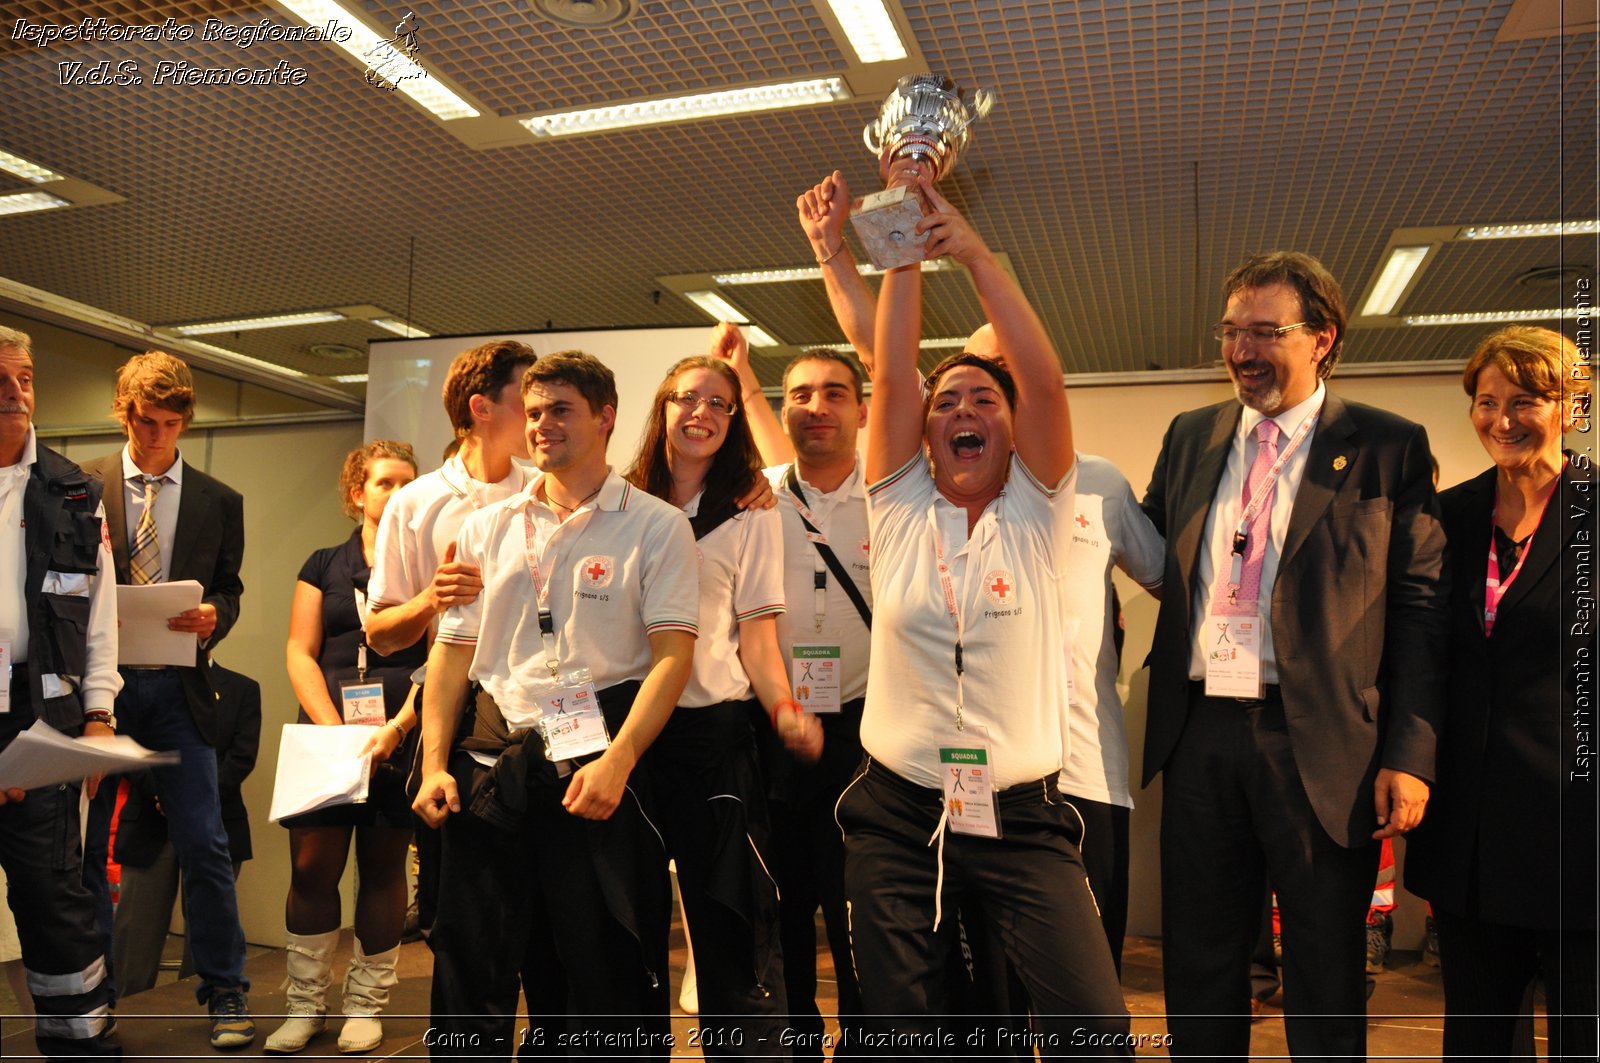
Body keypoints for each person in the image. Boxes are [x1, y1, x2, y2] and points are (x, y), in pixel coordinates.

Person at [836, 170, 1129, 1054]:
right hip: (896, 812)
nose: (963, 408)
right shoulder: (897, 507)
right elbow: (890, 372)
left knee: (1094, 1023)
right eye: (947, 402)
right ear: (926, 436)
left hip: (1023, 816)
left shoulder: (1039, 514)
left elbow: (1043, 378)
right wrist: (897, 241)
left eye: (984, 400)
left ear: (1010, 428)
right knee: (907, 1028)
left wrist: (965, 247)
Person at [1140, 251, 1447, 1059]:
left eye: (1265, 331)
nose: (1242, 350)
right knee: (1202, 960)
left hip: (1322, 743)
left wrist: (1411, 751)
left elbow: (1420, 611)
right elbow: (1143, 542)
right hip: (1200, 731)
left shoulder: (1388, 445)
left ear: (1322, 338)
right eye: (1231, 331)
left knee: (1324, 965)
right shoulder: (1190, 437)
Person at [412, 350, 698, 1057]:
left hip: (596, 769)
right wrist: (432, 765)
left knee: (601, 971)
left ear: (605, 417)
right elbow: (449, 657)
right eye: (534, 411)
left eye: (560, 409)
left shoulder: (655, 525)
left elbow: (673, 659)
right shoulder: (486, 525)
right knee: (469, 965)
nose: (541, 425)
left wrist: (620, 764)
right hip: (492, 764)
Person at [1404, 325, 1597, 1061]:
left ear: (1573, 404)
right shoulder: (1447, 517)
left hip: (1578, 834)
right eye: (1486, 401)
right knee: (1480, 1042)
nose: (1503, 418)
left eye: (1527, 400)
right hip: (1470, 838)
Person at [625, 350, 822, 1057]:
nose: (701, 412)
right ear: (663, 408)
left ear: (734, 419)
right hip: (629, 741)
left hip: (714, 739)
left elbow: (758, 638)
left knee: (732, 930)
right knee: (627, 932)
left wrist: (783, 711)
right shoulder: (622, 503)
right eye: (687, 398)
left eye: (718, 402)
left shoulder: (750, 511)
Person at [80, 351, 254, 1050]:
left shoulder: (219, 499)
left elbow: (232, 589)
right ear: (125, 414)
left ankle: (226, 988)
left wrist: (216, 613)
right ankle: (90, 989)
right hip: (102, 690)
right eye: (146, 422)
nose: (157, 438)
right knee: (87, 847)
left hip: (181, 685)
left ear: (185, 419)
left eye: (171, 423)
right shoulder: (81, 484)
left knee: (206, 843)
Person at [708, 323, 872, 1059]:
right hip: (771, 726)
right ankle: (796, 1040)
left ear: (862, 408)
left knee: (859, 901)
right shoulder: (754, 499)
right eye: (799, 394)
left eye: (834, 392)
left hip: (866, 730)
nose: (816, 407)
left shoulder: (896, 495)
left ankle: (866, 1040)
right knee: (784, 899)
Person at [366, 339, 538, 953]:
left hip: (538, 712)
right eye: (527, 398)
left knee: (540, 905)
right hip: (456, 713)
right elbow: (381, 632)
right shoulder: (415, 503)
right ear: (481, 407)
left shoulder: (545, 490)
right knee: (462, 911)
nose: (540, 411)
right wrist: (431, 599)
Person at [263, 441, 426, 1053]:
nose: (399, 493)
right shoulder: (322, 563)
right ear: (357, 492)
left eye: (409, 483)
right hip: (324, 734)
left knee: (383, 869)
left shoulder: (426, 567)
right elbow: (298, 652)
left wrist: (399, 729)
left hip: (398, 737)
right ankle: (304, 1005)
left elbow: (440, 659)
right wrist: (333, 728)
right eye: (386, 482)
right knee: (311, 871)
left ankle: (365, 1005)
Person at [0, 325, 122, 1057]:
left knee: (55, 903)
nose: (15, 394)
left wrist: (100, 715)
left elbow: (97, 615)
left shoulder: (74, 489)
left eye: (25, 378)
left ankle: (82, 1047)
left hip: (42, 719)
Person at [112, 656, 260, 996]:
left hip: (217, 815)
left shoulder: (242, 687)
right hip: (148, 822)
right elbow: (122, 746)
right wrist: (167, 791)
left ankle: (214, 996)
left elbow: (241, 758)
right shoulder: (127, 682)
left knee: (207, 927)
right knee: (136, 936)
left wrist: (191, 793)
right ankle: (127, 1009)